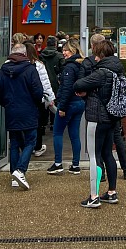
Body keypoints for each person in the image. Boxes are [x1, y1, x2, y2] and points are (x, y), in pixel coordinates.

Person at [73, 37, 123, 208]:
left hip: (97, 117)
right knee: (108, 154)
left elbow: (78, 84)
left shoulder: (101, 72)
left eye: (96, 55)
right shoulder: (117, 69)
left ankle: (93, 196)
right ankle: (111, 192)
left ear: (101, 55)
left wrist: (86, 90)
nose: (94, 58)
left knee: (94, 156)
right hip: (111, 117)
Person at [0, 42, 43, 190]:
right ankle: (20, 170)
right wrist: (35, 103)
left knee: (14, 142)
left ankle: (14, 175)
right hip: (29, 110)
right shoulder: (30, 70)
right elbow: (38, 92)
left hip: (11, 111)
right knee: (30, 141)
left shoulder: (2, 71)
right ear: (25, 54)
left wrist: (7, 104)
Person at [46, 38, 85, 175]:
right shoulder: (82, 64)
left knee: (57, 133)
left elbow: (67, 88)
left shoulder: (69, 67)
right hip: (79, 103)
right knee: (74, 135)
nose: (63, 52)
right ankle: (75, 165)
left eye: (66, 50)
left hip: (69, 104)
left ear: (73, 50)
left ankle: (58, 164)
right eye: (62, 50)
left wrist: (62, 107)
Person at [25, 43, 55, 157]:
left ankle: (26, 146)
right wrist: (51, 98)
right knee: (37, 125)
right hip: (38, 100)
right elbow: (45, 83)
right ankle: (37, 147)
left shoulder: (16, 65)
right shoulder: (38, 65)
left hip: (23, 100)